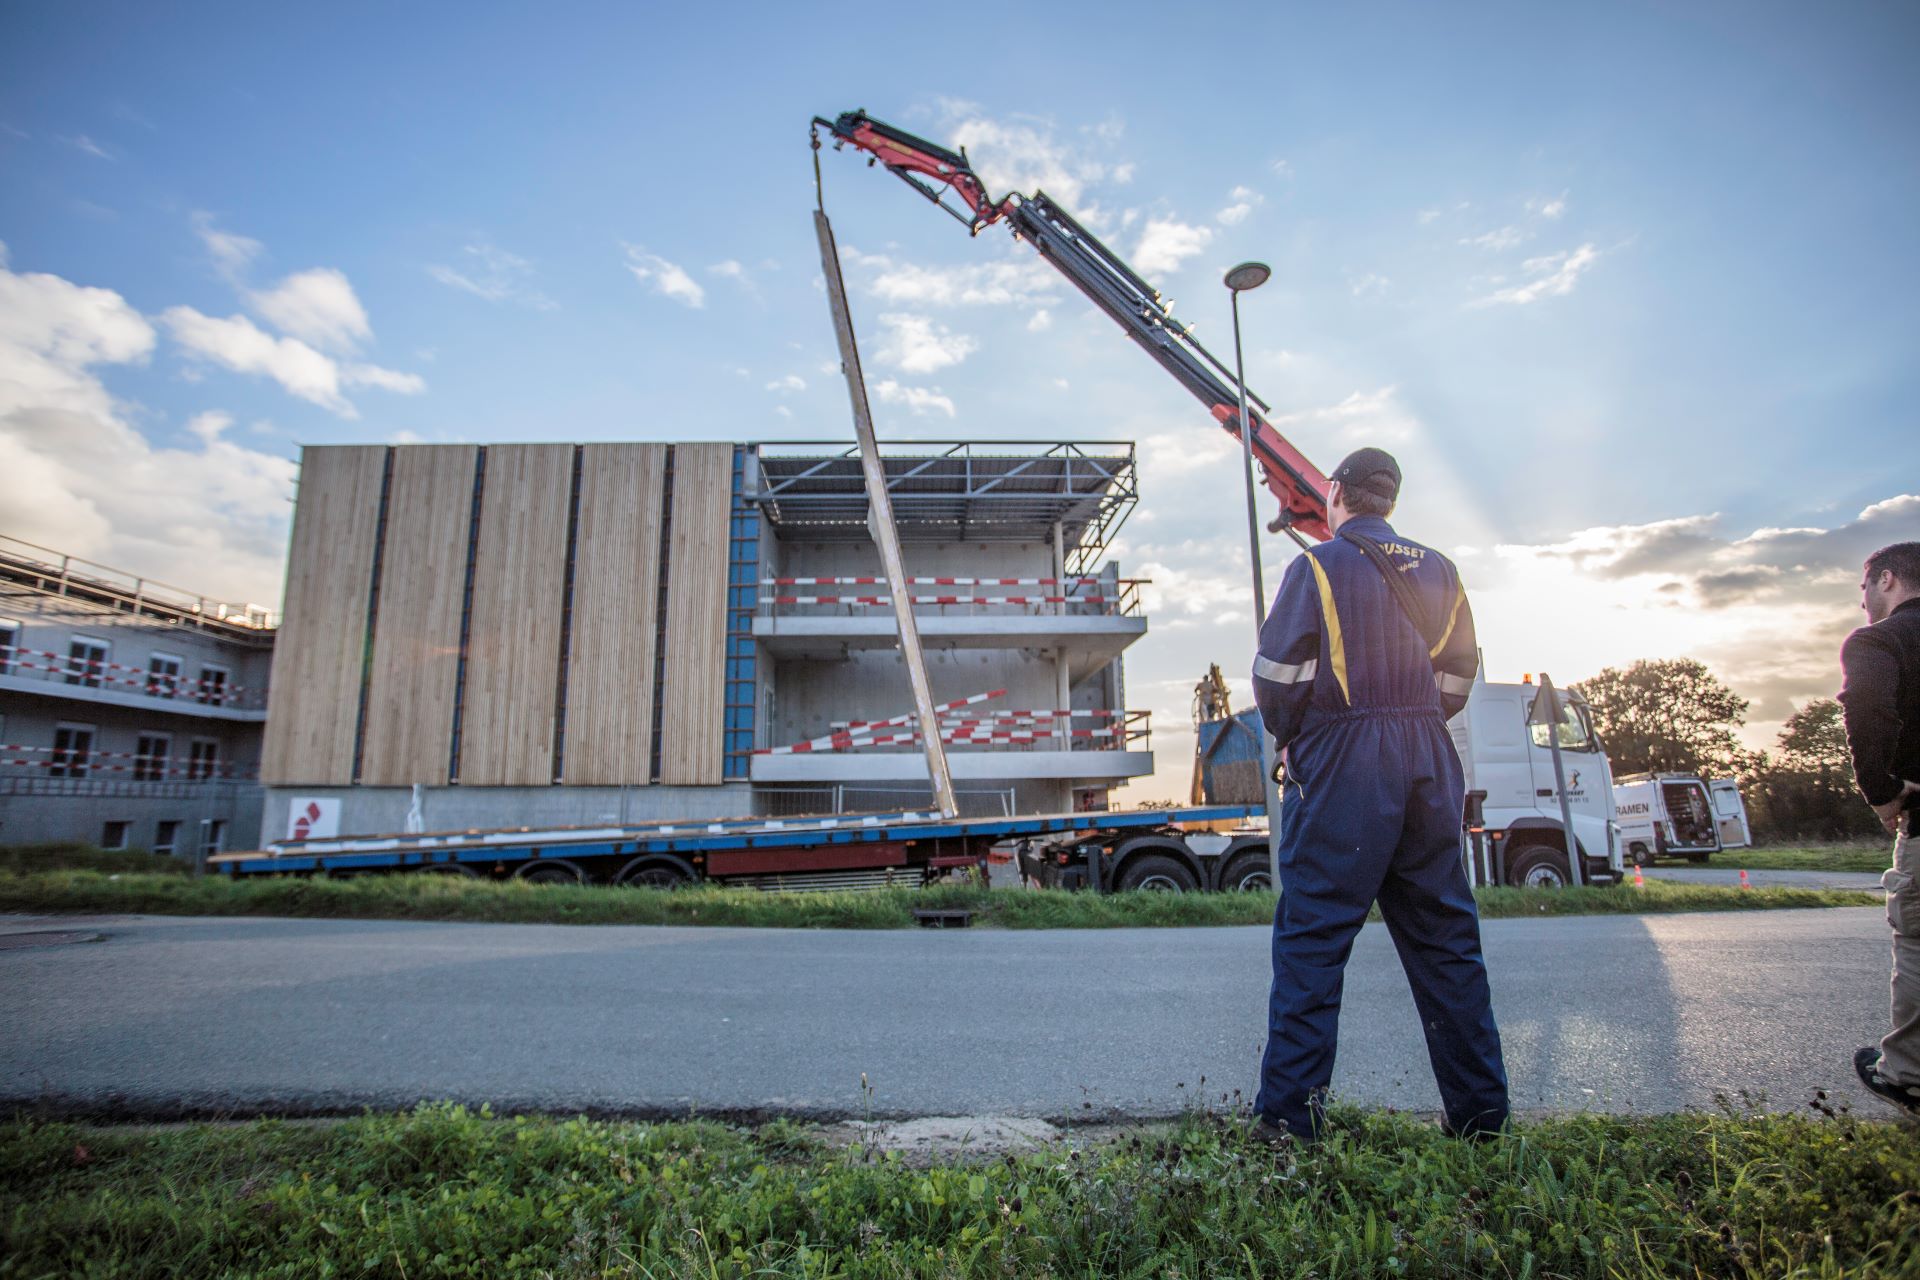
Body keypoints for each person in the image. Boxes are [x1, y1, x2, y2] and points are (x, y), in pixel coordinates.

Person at [1249, 447, 1508, 1142]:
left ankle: (1287, 1127)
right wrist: (1416, 721)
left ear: (1335, 493)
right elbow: (1458, 677)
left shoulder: (1317, 567)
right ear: (1391, 501)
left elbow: (1277, 677)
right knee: (1448, 947)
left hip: (1343, 760)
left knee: (1313, 943)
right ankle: (1483, 1124)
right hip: (1427, 754)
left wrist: (1298, 734)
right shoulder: (1443, 572)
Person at [1841, 541, 1920, 1115]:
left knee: (1916, 943)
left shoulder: (1881, 640)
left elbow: (1868, 712)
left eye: (1864, 589)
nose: (1863, 604)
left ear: (1887, 580)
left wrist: (1882, 792)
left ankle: (1907, 1074)